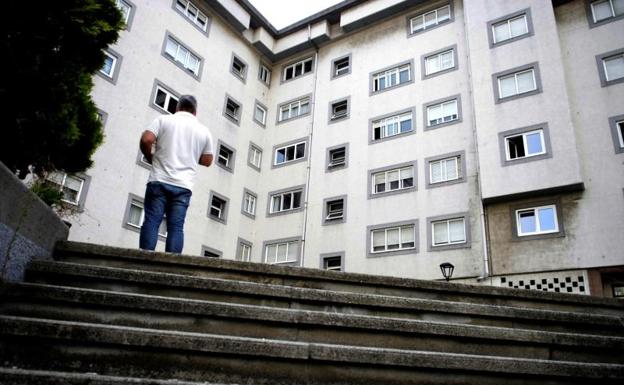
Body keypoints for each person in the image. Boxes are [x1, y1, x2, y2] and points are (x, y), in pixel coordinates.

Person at [138, 95, 213, 253]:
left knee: (152, 221)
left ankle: (143, 262)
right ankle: (171, 268)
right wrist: (190, 154)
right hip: (183, 187)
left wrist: (150, 156)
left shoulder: (163, 120)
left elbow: (146, 140)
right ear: (195, 112)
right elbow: (207, 160)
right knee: (176, 227)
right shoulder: (204, 131)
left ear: (177, 108)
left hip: (159, 180)